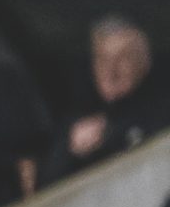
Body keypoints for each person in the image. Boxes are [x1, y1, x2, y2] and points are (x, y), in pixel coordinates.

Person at [36, 16, 170, 190]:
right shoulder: (75, 122)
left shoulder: (162, 113)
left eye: (123, 58)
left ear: (144, 62)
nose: (111, 70)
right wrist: (70, 152)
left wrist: (113, 133)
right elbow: (43, 194)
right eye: (102, 58)